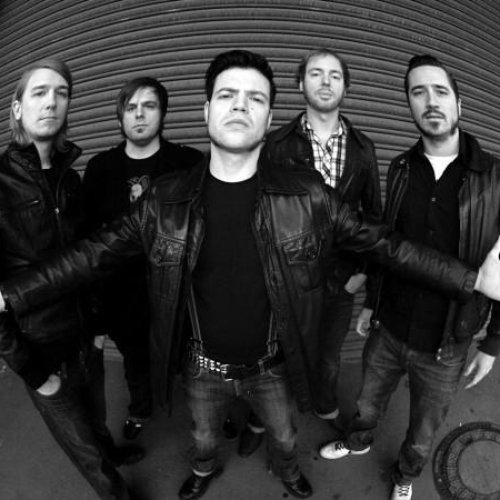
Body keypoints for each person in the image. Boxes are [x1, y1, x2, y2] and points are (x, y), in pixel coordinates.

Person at [1, 50, 500, 500]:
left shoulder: (308, 195)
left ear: (268, 118)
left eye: (255, 98)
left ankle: (290, 474)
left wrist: (472, 280)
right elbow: (88, 256)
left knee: (284, 436)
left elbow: (389, 245)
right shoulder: (163, 201)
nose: (240, 105)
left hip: (272, 366)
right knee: (202, 438)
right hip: (201, 367)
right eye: (227, 95)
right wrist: (10, 295)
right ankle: (202, 471)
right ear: (206, 111)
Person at [319, 54, 500, 500]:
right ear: (409, 105)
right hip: (389, 326)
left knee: (423, 428)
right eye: (418, 92)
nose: (430, 101)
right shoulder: (401, 168)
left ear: (460, 103)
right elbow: (390, 247)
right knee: (366, 403)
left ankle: (405, 475)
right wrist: (371, 304)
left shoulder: (495, 178)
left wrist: (493, 344)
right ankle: (358, 441)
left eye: (440, 91)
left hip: (446, 342)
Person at [0, 59, 144, 500]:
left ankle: (111, 451)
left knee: (96, 418)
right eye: (40, 92)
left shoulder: (70, 179)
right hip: (42, 347)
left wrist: (97, 327)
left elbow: (86, 259)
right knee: (83, 448)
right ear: (17, 107)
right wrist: (31, 369)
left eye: (61, 93)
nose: (51, 101)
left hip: (84, 334)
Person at [262, 48, 382, 438]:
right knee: (277, 352)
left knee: (329, 358)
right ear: (300, 84)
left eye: (334, 75)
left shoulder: (363, 148)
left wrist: (361, 276)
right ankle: (261, 421)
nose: (326, 81)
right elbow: (263, 210)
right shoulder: (277, 144)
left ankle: (326, 408)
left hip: (340, 280)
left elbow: (374, 218)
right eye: (316, 73)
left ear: (345, 86)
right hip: (288, 276)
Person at [83, 77, 203, 440]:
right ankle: (140, 410)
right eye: (131, 107)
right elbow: (89, 241)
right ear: (120, 116)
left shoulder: (187, 162)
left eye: (148, 106)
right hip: (123, 295)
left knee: (191, 358)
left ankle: (206, 412)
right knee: (135, 361)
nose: (139, 115)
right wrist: (97, 312)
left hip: (179, 290)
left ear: (163, 113)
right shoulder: (101, 168)